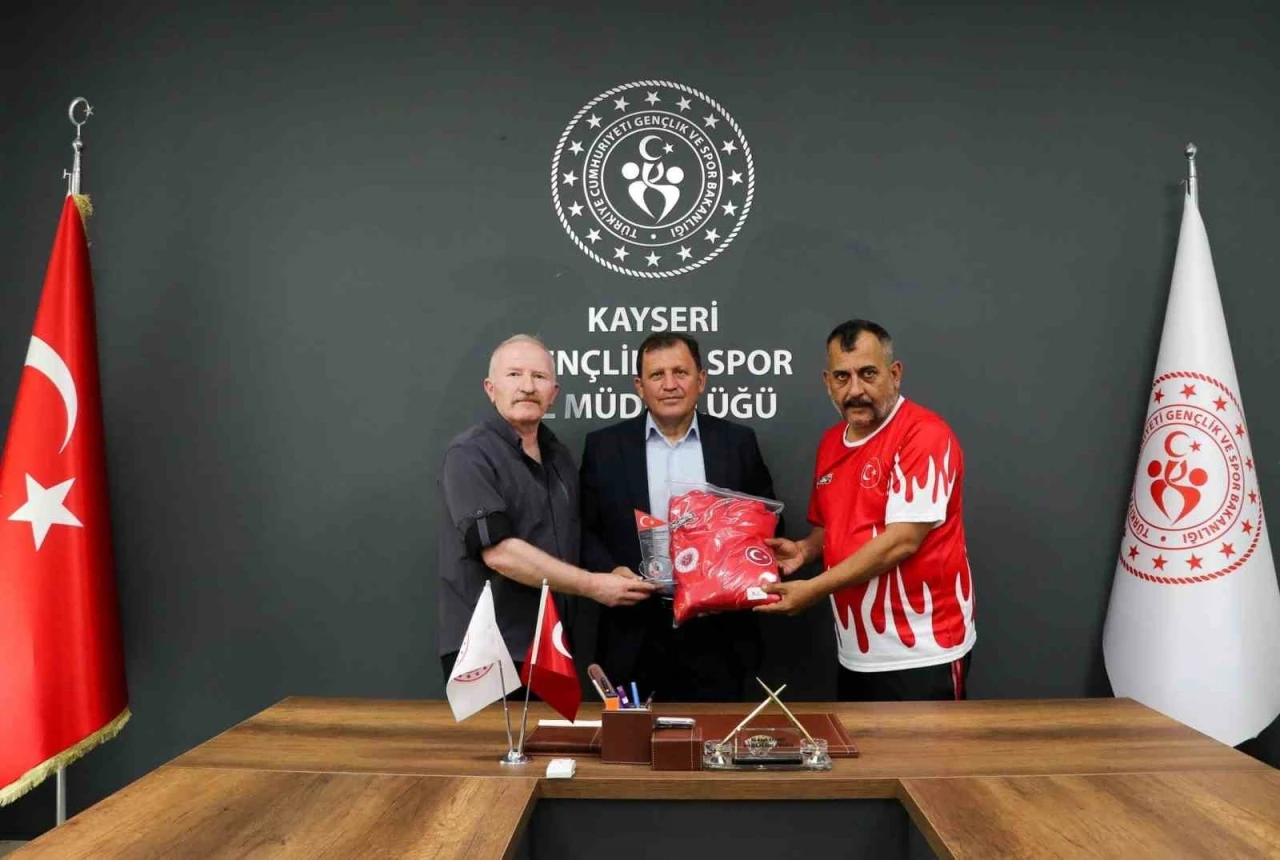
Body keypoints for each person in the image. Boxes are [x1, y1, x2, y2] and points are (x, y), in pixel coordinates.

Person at [758, 320, 976, 701]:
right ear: (827, 382)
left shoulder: (924, 434)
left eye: (868, 374)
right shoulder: (831, 443)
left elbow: (902, 541)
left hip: (924, 654)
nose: (855, 390)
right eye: (842, 377)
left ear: (895, 374)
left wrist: (813, 590)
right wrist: (805, 551)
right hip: (856, 655)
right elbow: (832, 529)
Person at [436, 334, 657, 680]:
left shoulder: (560, 458)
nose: (527, 387)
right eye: (514, 375)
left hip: (553, 651)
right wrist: (593, 585)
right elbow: (500, 554)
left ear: (553, 393)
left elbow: (573, 538)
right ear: (491, 389)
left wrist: (613, 571)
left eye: (538, 376)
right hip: (489, 651)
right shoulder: (470, 454)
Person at [580, 333, 781, 701]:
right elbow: (585, 529)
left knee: (717, 733)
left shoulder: (737, 442)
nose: (669, 385)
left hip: (719, 630)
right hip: (633, 629)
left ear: (701, 380)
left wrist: (733, 571)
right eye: (657, 375)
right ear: (639, 386)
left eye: (680, 372)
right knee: (631, 736)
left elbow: (767, 520)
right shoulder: (604, 446)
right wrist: (610, 570)